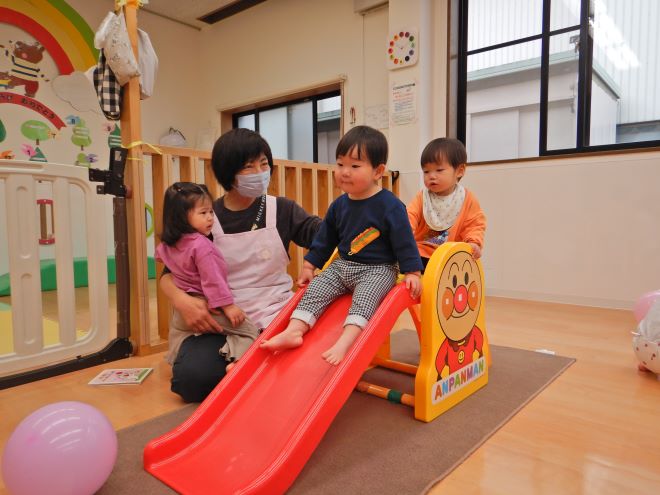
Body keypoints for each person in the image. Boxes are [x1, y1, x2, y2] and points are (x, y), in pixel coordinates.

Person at [160, 129, 322, 402]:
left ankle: (251, 367)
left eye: (264, 164)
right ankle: (258, 366)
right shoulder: (206, 218)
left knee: (318, 360)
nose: (260, 172)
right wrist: (181, 300)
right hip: (225, 319)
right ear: (228, 173)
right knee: (191, 380)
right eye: (248, 167)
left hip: (277, 311)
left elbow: (322, 234)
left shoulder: (282, 209)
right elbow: (170, 273)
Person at [260, 126, 423, 365]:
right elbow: (325, 239)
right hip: (343, 265)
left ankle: (346, 342)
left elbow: (404, 240)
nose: (345, 172)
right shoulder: (339, 205)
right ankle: (294, 330)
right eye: (340, 164)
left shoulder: (390, 205)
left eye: (355, 166)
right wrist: (309, 266)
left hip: (378, 269)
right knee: (316, 289)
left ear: (378, 171)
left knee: (365, 298)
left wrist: (413, 272)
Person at [155, 182, 259, 372]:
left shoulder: (167, 245)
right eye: (203, 213)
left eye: (211, 212)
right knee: (250, 331)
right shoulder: (202, 246)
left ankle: (174, 357)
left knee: (179, 332)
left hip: (181, 312)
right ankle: (236, 361)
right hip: (206, 305)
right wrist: (228, 306)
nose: (210, 217)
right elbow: (213, 281)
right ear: (181, 217)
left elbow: (160, 258)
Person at [407, 137, 486, 270]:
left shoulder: (467, 199)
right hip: (422, 251)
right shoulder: (422, 197)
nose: (431, 176)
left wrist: (474, 242)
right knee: (405, 260)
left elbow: (474, 224)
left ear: (459, 171)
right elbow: (410, 216)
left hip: (451, 256)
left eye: (439, 170)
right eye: (426, 171)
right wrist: (404, 233)